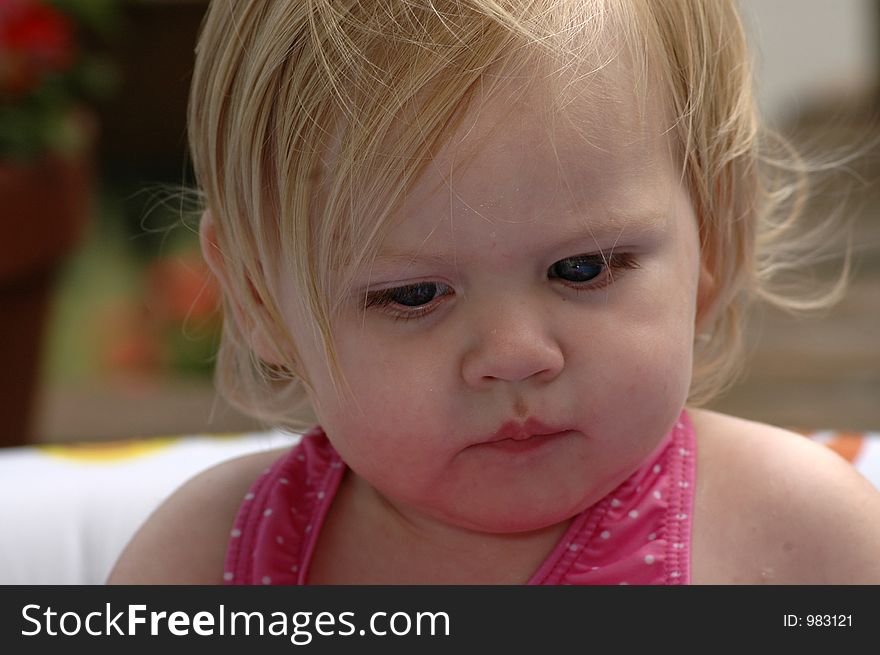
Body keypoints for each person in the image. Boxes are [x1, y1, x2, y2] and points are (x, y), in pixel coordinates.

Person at [108, 0, 880, 585]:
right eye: (413, 293)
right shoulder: (203, 562)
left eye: (582, 269)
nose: (514, 355)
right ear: (257, 298)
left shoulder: (798, 542)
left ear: (712, 236)